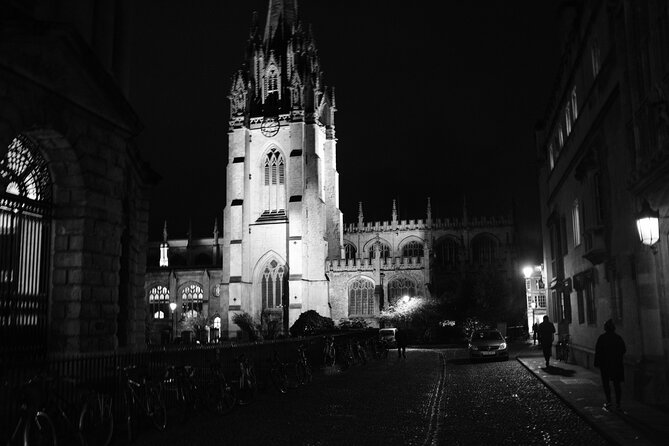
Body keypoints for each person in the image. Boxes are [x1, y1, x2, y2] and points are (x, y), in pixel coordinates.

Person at [595, 319, 626, 410]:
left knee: (606, 383)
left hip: (605, 364)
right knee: (617, 384)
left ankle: (609, 401)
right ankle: (618, 403)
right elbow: (623, 350)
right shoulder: (618, 338)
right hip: (616, 364)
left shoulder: (602, 338)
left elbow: (598, 351)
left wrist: (597, 362)